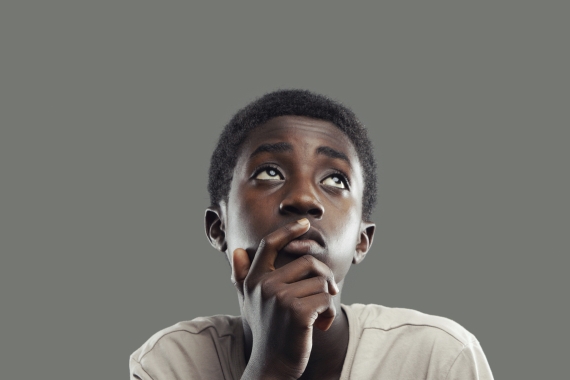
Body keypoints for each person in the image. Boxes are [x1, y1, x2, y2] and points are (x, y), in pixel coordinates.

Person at [130, 90, 493, 380]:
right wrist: (271, 369)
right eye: (270, 172)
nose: (304, 198)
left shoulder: (438, 358)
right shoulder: (171, 364)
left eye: (335, 180)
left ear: (361, 241)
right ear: (217, 227)